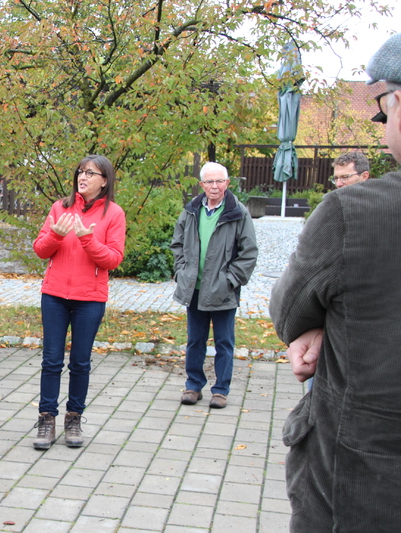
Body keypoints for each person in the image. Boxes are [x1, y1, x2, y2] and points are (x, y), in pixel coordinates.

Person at [270, 33, 401, 532]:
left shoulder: (356, 215)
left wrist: (321, 320)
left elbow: (289, 310)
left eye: (383, 110)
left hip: (365, 487)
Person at [31, 155, 126, 450]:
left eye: (90, 173)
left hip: (90, 299)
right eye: (80, 172)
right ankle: (46, 418)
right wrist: (57, 235)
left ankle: (74, 418)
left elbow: (113, 259)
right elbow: (40, 249)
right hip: (55, 295)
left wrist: (87, 240)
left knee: (80, 362)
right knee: (51, 360)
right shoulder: (60, 207)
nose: (82, 177)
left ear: (104, 180)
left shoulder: (114, 214)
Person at [171, 162, 258, 409]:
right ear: (202, 185)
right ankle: (193, 385)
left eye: (219, 181)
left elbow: (249, 252)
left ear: (227, 183)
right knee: (195, 341)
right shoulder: (191, 211)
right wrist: (182, 271)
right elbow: (177, 243)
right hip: (195, 289)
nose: (214, 186)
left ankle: (220, 390)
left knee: (224, 343)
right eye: (209, 182)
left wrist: (230, 280)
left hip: (223, 291)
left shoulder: (238, 212)